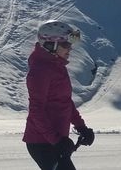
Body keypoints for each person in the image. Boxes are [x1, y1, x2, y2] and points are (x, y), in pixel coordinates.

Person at [23, 20, 96, 170]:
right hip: (42, 142)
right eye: (66, 45)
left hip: (55, 140)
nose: (70, 49)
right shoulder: (40, 71)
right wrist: (56, 140)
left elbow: (65, 102)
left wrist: (81, 127)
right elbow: (36, 111)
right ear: (51, 45)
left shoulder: (57, 66)